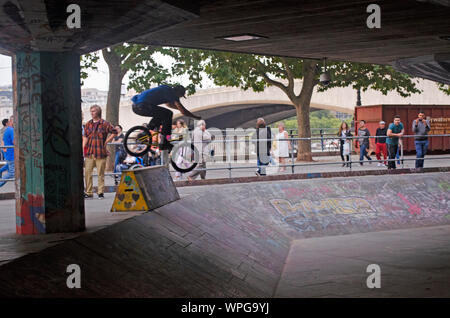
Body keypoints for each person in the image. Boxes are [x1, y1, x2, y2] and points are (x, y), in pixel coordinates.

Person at [131, 84, 201, 150]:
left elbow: (169, 105)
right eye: (180, 96)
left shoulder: (166, 89)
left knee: (163, 114)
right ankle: (165, 142)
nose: (179, 97)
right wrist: (195, 117)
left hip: (136, 106)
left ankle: (146, 131)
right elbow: (183, 112)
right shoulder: (173, 94)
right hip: (143, 106)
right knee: (168, 113)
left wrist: (180, 109)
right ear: (178, 92)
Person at [83, 105, 117, 199]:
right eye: (91, 111)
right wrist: (83, 147)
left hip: (100, 152)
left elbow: (115, 132)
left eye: (93, 111)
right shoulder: (88, 124)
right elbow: (85, 136)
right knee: (87, 173)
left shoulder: (105, 123)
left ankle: (100, 192)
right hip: (89, 152)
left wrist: (107, 141)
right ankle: (89, 192)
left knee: (100, 174)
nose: (92, 113)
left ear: (98, 112)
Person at [0, 116, 14, 188]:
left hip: (8, 153)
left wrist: (4, 149)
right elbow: (14, 141)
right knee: (12, 173)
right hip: (11, 154)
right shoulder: (11, 130)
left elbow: (2, 140)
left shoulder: (5, 130)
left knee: (7, 167)